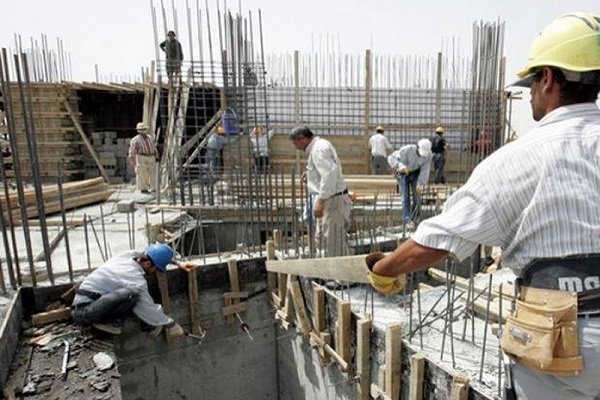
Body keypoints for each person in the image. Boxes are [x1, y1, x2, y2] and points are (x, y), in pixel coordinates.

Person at [366, 12, 600, 400]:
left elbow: (436, 241)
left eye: (532, 82)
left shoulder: (517, 159)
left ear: (547, 78)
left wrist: (384, 268)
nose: (530, 94)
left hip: (560, 346)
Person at [71, 244, 185, 337]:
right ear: (147, 264)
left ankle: (116, 321)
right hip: (85, 313)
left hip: (87, 305)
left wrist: (177, 263)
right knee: (133, 294)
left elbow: (145, 253)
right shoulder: (135, 278)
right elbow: (146, 307)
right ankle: (106, 322)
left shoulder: (126, 257)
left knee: (132, 295)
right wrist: (170, 323)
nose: (156, 272)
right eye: (157, 269)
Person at [289, 126, 350, 257]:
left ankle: (337, 270)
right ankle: (330, 269)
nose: (296, 147)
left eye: (295, 143)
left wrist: (321, 200)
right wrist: (310, 174)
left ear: (302, 139)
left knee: (333, 244)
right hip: (331, 199)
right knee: (324, 241)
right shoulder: (319, 146)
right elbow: (327, 170)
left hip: (332, 201)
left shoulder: (318, 149)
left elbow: (329, 175)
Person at [387, 139, 432, 226]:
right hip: (403, 173)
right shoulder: (407, 150)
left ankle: (415, 218)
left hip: (415, 173)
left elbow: (425, 170)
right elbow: (391, 158)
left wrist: (420, 184)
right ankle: (407, 219)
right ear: (417, 147)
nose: (421, 156)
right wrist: (400, 166)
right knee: (405, 196)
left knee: (417, 197)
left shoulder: (428, 155)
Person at [128, 122, 158, 194]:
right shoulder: (135, 139)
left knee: (153, 172)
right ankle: (143, 189)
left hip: (151, 156)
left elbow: (153, 146)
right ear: (138, 131)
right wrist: (132, 158)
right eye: (141, 129)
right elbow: (132, 150)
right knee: (142, 173)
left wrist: (156, 154)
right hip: (141, 156)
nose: (143, 131)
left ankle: (154, 188)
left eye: (144, 129)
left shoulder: (150, 137)